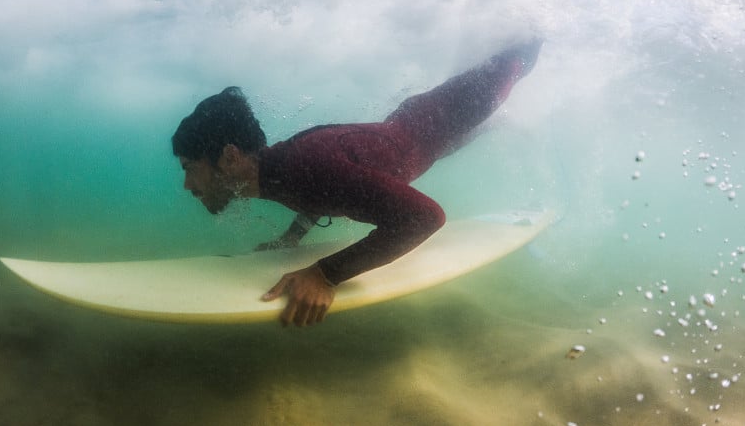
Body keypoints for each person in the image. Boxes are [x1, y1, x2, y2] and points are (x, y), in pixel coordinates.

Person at [172, 38, 541, 327]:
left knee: (516, 60)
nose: (187, 184)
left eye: (190, 167)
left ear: (231, 157)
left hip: (455, 109)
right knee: (473, 119)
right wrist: (292, 238)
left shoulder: (305, 165)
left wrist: (325, 274)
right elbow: (322, 192)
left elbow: (425, 217)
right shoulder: (279, 170)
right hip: (418, 124)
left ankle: (535, 29)